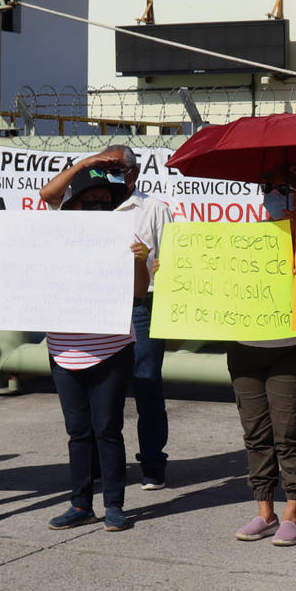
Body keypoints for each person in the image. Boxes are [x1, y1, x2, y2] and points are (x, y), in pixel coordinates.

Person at [40, 146, 172, 489]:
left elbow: (172, 259)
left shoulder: (153, 209)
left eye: (115, 166)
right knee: (98, 395)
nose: (109, 170)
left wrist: (154, 266)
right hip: (92, 307)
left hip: (140, 307)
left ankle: (153, 463)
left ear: (133, 173)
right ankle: (100, 463)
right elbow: (48, 196)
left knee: (146, 386)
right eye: (104, 164)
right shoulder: (86, 205)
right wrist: (84, 163)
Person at [44, 167, 149, 532]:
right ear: (73, 205)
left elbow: (139, 291)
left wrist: (139, 260)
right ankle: (80, 503)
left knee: (108, 429)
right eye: (92, 201)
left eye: (107, 203)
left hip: (111, 348)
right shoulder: (50, 234)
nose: (100, 208)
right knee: (78, 432)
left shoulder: (123, 236)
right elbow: (46, 194)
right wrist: (3, 256)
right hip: (63, 351)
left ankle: (115, 505)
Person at [226, 168, 296, 546]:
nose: (274, 195)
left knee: (290, 433)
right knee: (255, 433)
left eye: (285, 189)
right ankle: (263, 510)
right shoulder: (244, 238)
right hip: (245, 348)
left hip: (294, 350)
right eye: (268, 188)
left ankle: (292, 513)